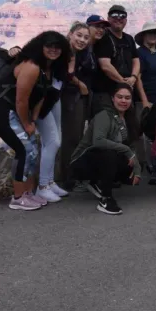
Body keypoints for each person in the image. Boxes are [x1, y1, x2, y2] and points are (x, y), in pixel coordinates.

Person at [0, 31, 71, 211]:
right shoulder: (32, 66)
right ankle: (18, 198)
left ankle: (29, 193)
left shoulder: (45, 68)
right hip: (2, 111)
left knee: (32, 149)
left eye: (58, 47)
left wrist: (33, 120)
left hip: (14, 112)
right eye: (49, 46)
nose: (54, 50)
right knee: (24, 149)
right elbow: (21, 100)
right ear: (40, 46)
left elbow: (39, 97)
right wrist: (26, 124)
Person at [70, 83, 141, 215]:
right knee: (110, 153)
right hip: (81, 162)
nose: (123, 101)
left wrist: (136, 168)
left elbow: (132, 146)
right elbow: (98, 141)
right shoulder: (104, 115)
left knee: (126, 168)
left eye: (127, 98)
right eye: (120, 97)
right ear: (113, 98)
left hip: (103, 158)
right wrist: (127, 151)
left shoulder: (128, 118)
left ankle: (96, 182)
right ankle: (106, 199)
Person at [60, 22, 96, 193]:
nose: (82, 40)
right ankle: (67, 178)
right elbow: (68, 74)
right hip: (69, 98)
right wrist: (79, 83)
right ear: (70, 34)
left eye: (86, 37)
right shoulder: (64, 51)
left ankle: (72, 176)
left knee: (77, 136)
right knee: (71, 137)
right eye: (79, 35)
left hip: (79, 97)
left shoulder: (82, 53)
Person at [91, 4, 140, 116]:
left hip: (126, 92)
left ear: (126, 20)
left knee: (128, 125)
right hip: (105, 92)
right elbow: (105, 65)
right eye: (114, 15)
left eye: (122, 16)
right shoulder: (104, 37)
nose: (118, 18)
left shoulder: (129, 39)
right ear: (108, 18)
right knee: (105, 124)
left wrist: (134, 77)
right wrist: (124, 82)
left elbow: (136, 60)